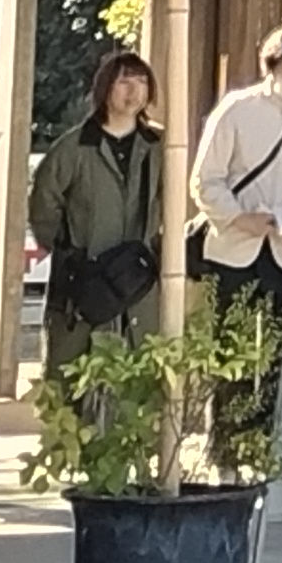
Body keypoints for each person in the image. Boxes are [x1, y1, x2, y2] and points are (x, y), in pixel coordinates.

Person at [192, 26, 282, 435]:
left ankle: (268, 449)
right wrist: (241, 218)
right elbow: (205, 180)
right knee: (230, 351)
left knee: (280, 353)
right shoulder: (237, 109)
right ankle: (225, 448)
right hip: (236, 244)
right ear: (271, 64)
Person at [29, 50, 165, 375]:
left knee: (138, 386)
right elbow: (43, 205)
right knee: (71, 381)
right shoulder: (74, 146)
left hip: (138, 278)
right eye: (124, 82)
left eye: (142, 82)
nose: (133, 91)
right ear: (105, 88)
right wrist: (68, 248)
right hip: (83, 277)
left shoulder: (159, 145)